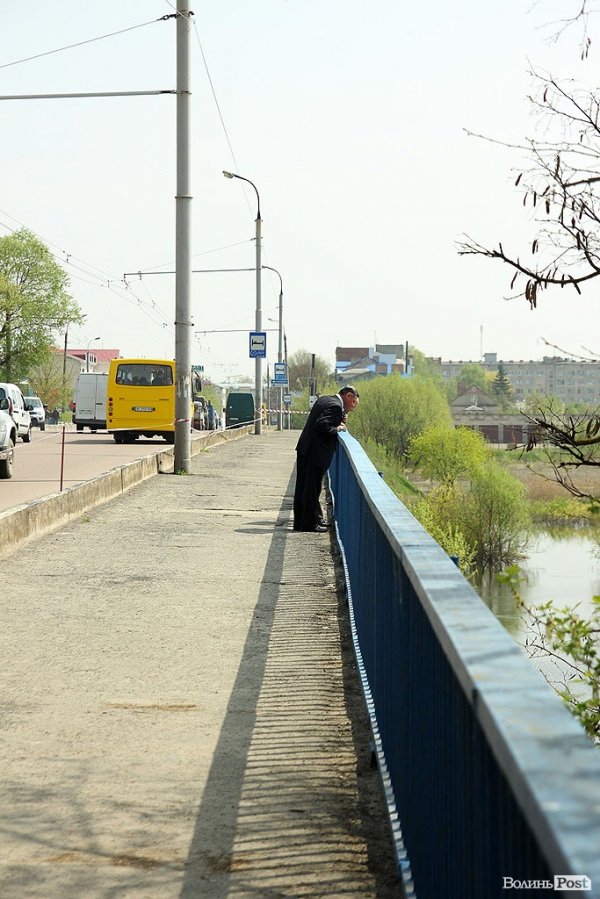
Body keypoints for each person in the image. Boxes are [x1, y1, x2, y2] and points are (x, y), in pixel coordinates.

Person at [293, 385, 359, 532]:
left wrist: (339, 419)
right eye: (353, 402)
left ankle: (304, 522)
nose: (353, 407)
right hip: (315, 452)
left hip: (306, 447)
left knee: (303, 487)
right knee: (312, 489)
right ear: (348, 396)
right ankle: (309, 525)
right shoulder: (335, 406)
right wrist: (337, 428)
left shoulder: (326, 400)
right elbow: (322, 424)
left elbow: (322, 417)